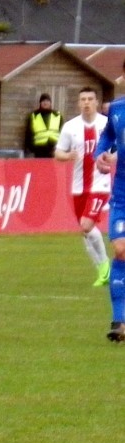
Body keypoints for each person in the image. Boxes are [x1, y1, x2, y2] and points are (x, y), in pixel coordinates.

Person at [54, 86, 110, 288]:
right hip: (78, 187)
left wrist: (111, 158)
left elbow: (119, 148)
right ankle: (103, 273)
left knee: (87, 225)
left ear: (96, 102)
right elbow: (58, 153)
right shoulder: (70, 127)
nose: (86, 102)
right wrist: (67, 156)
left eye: (90, 99)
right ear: (78, 103)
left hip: (100, 184)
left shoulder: (106, 124)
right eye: (83, 99)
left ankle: (105, 267)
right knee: (86, 231)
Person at [94, 58, 125, 342]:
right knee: (120, 250)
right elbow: (106, 140)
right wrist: (100, 156)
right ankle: (119, 321)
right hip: (122, 194)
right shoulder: (116, 110)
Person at [24, 93, 62, 158]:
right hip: (39, 150)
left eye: (47, 101)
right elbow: (28, 133)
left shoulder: (57, 115)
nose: (45, 103)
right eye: (43, 101)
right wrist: (30, 148)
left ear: (50, 103)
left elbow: (62, 132)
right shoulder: (34, 116)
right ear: (40, 103)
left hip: (54, 149)